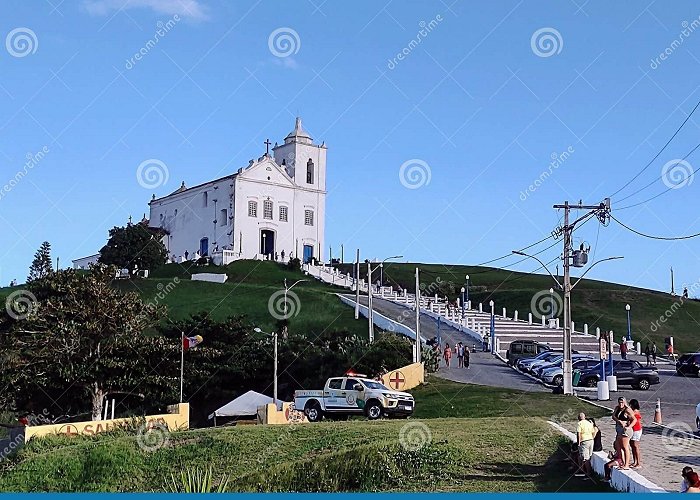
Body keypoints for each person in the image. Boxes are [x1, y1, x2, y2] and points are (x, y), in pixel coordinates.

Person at [612, 396, 637, 469]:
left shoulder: (627, 410)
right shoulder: (617, 408)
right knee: (619, 446)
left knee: (625, 447)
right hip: (619, 429)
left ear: (625, 402)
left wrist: (628, 427)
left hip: (625, 430)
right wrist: (618, 421)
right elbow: (613, 416)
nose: (621, 404)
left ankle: (626, 464)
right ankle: (622, 462)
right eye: (619, 402)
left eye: (622, 402)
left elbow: (634, 419)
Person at [576, 412, 596, 477]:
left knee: (585, 458)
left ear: (579, 418)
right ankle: (588, 470)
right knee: (589, 457)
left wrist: (578, 442)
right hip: (591, 440)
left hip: (584, 441)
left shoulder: (579, 424)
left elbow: (579, 434)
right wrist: (591, 438)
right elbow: (593, 432)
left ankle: (588, 473)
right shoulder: (589, 423)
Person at [629, 398, 643, 468]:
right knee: (632, 446)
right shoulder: (632, 411)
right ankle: (635, 461)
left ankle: (638, 463)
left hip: (636, 430)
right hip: (633, 429)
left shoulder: (635, 412)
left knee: (635, 446)